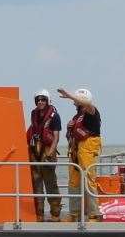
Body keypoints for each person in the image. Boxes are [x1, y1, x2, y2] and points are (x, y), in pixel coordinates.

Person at [57, 86, 102, 220]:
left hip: (87, 151)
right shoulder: (77, 117)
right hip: (76, 152)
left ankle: (93, 214)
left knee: (89, 181)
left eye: (77, 99)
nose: (75, 102)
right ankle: (74, 213)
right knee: (73, 183)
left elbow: (87, 104)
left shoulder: (92, 112)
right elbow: (71, 135)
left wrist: (69, 95)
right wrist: (69, 129)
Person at [24, 90, 62, 220]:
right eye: (38, 100)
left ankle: (55, 214)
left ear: (47, 100)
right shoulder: (34, 114)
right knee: (36, 183)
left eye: (43, 99)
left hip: (47, 151)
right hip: (35, 151)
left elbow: (56, 137)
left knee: (51, 183)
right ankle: (39, 213)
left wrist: (50, 153)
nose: (40, 102)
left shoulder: (54, 116)